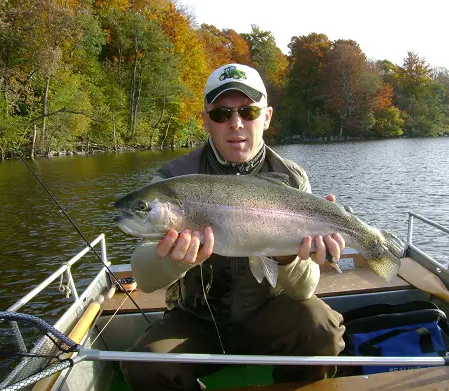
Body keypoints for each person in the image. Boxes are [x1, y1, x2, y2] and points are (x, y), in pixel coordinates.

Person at [121, 63, 346, 390]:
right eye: (221, 114)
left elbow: (303, 290)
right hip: (195, 320)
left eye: (249, 111)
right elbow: (144, 276)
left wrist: (286, 259)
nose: (236, 123)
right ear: (206, 120)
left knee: (322, 328)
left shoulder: (292, 178)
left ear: (266, 117)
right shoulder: (173, 181)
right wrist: (175, 260)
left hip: (269, 312)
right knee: (144, 366)